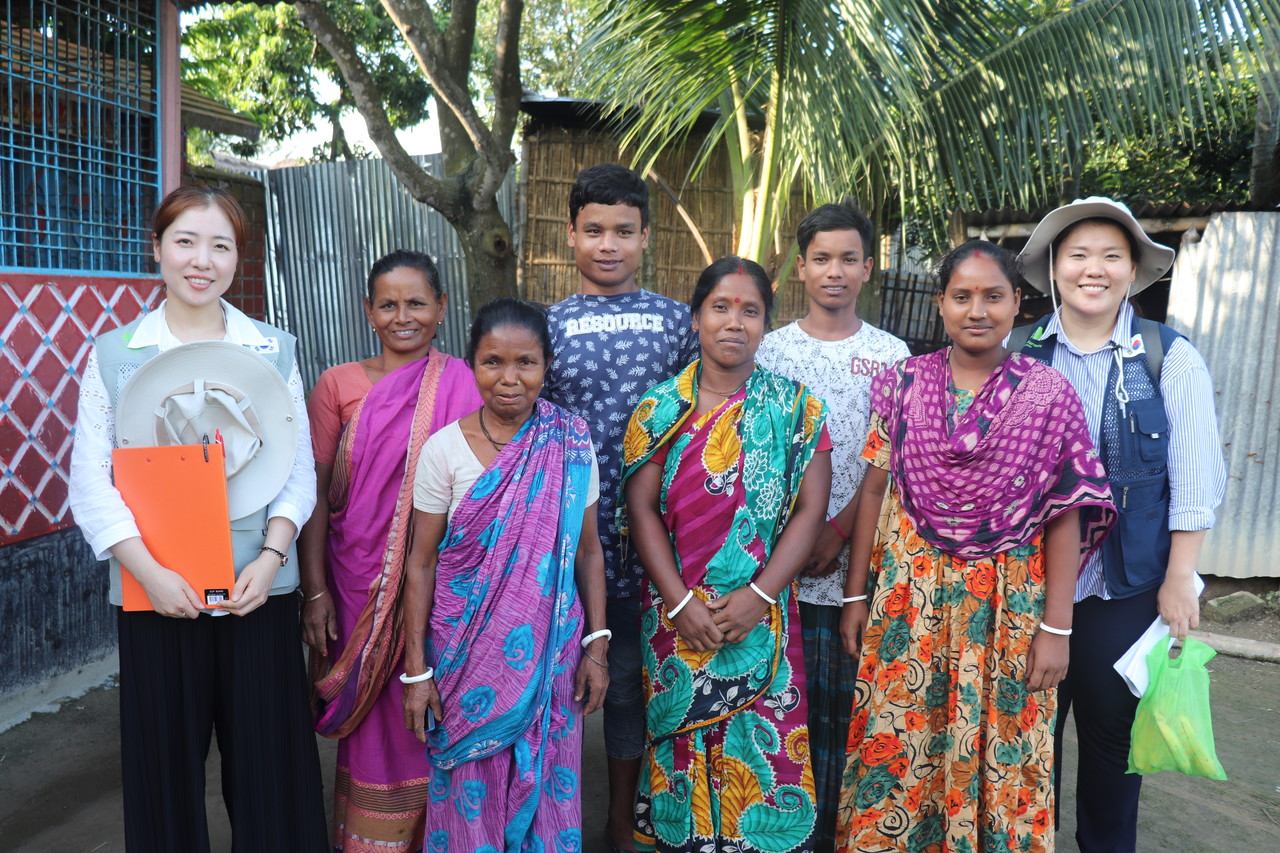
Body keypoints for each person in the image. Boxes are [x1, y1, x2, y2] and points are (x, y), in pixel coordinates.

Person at [67, 185, 327, 851]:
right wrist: (151, 574)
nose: (201, 260)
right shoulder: (113, 355)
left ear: (238, 258)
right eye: (185, 241)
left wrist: (270, 559)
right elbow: (91, 481)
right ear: (157, 249)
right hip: (157, 592)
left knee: (271, 770)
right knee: (162, 773)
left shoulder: (275, 350)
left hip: (257, 592)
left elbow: (296, 470)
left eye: (220, 245)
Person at [835, 242, 1116, 853]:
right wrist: (856, 593)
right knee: (899, 742)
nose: (977, 310)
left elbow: (1066, 515)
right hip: (911, 603)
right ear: (941, 305)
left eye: (993, 296)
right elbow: (874, 487)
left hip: (1008, 611)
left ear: (1018, 303)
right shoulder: (903, 382)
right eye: (962, 296)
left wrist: (1058, 628)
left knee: (1002, 749)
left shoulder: (1049, 396)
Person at [1013, 198, 1227, 853]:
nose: (1093, 270)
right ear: (1054, 267)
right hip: (1022, 589)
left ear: (1133, 269)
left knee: (1111, 751)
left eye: (1111, 255)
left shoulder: (1169, 357)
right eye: (1078, 254)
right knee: (1021, 744)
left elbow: (1195, 476)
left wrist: (1180, 577)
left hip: (1123, 588)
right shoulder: (1017, 353)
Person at [620, 256, 833, 853]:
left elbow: (810, 511)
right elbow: (640, 510)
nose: (734, 322)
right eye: (720, 307)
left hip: (762, 616)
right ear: (695, 318)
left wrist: (758, 596)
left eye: (750, 311)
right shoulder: (660, 408)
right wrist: (679, 600)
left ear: (766, 324)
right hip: (674, 616)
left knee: (761, 750)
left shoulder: (798, 409)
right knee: (679, 749)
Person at [399, 298, 610, 851]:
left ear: (546, 367)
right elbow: (420, 563)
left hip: (549, 655)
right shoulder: (442, 450)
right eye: (493, 362)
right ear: (472, 364)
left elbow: (589, 552)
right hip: (463, 656)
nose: (509, 379)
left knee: (546, 787)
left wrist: (597, 649)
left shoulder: (569, 441)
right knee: (470, 792)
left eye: (526, 363)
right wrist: (417, 673)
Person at [300, 250, 481, 851]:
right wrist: (316, 592)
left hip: (448, 580)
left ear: (443, 308)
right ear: (368, 311)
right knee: (378, 715)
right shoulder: (337, 384)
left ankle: (443, 834)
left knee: (441, 701)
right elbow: (317, 495)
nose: (403, 316)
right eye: (388, 304)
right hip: (357, 583)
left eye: (417, 303)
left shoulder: (467, 379)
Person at [543, 163, 700, 852]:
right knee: (554, 673)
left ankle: (620, 817)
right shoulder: (547, 325)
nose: (609, 244)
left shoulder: (676, 323)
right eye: (595, 230)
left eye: (624, 232)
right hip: (562, 535)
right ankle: (547, 807)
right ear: (571, 235)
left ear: (645, 238)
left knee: (633, 678)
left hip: (655, 539)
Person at [755, 202, 909, 851]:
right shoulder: (769, 349)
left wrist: (840, 527)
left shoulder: (892, 354)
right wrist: (798, 531)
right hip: (778, 572)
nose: (835, 271)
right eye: (822, 257)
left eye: (849, 258)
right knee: (789, 714)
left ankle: (839, 836)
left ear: (869, 267)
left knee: (846, 717)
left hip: (856, 574)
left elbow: (886, 464)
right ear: (802, 267)